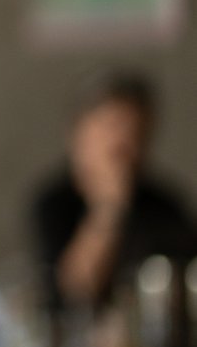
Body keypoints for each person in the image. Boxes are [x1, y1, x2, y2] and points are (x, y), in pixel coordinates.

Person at [31, 71, 197, 314]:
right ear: (78, 133)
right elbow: (72, 293)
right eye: (112, 126)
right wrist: (110, 207)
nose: (123, 143)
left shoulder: (165, 205)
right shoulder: (53, 203)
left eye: (136, 131)